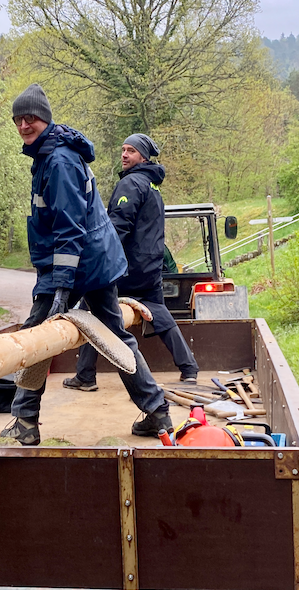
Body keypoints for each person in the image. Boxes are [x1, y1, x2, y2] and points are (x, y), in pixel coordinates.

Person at [0, 84, 171, 445]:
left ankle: (24, 422)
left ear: (44, 119)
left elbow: (68, 227)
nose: (24, 125)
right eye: (18, 119)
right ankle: (158, 412)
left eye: (30, 118)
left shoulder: (58, 161)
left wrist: (61, 286)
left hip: (79, 263)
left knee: (35, 339)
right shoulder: (50, 155)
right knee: (116, 336)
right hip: (94, 261)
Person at [62, 133, 199, 402]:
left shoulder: (131, 184)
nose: (124, 155)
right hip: (150, 267)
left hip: (128, 268)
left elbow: (117, 228)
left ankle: (86, 376)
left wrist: (100, 260)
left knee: (91, 310)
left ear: (143, 157)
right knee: (159, 313)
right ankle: (189, 367)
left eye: (131, 151)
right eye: (123, 150)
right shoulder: (152, 186)